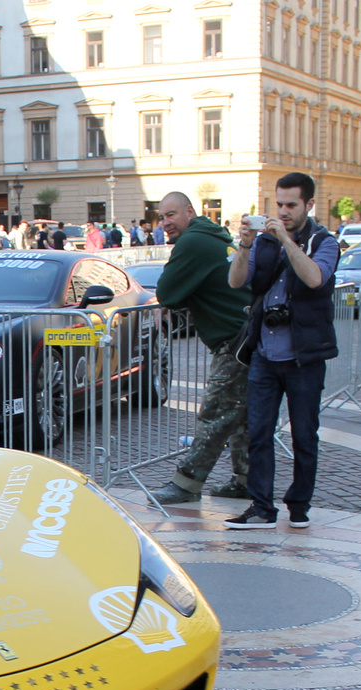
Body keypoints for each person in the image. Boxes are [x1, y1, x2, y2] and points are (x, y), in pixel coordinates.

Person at [224, 172, 339, 530]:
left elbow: (315, 278)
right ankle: (261, 507)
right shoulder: (263, 242)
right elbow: (236, 281)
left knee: (305, 434)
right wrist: (245, 244)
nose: (284, 211)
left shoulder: (325, 241)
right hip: (265, 353)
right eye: (279, 204)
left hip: (305, 357)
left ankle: (299, 505)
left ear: (309, 205)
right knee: (258, 431)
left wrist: (288, 241)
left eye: (292, 205)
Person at [146, 192, 253, 506]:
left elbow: (167, 291)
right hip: (247, 337)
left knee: (216, 413)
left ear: (189, 212)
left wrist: (165, 302)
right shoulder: (213, 235)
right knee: (240, 415)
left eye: (171, 215)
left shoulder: (192, 242)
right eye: (162, 217)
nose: (165, 222)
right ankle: (247, 479)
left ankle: (187, 483)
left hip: (235, 343)